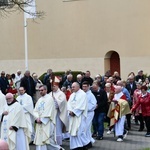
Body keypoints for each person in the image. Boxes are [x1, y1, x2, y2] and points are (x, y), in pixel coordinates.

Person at [33, 85, 62, 150]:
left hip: (47, 122)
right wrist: (37, 118)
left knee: (47, 139)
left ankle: (58, 148)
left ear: (46, 90)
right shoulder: (39, 100)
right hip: (39, 122)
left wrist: (42, 120)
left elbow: (48, 111)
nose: (40, 92)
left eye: (42, 90)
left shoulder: (49, 99)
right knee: (41, 140)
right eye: (39, 90)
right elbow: (35, 110)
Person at [67, 82, 89, 150]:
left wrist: (74, 112)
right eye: (72, 87)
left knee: (79, 132)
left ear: (78, 87)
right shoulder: (72, 95)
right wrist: (70, 111)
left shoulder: (83, 94)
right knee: (72, 131)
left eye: (74, 87)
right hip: (72, 116)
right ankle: (75, 146)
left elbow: (82, 105)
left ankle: (80, 146)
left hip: (79, 116)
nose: (72, 88)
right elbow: (69, 104)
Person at [49, 76, 69, 146]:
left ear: (57, 86)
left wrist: (55, 100)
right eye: (52, 86)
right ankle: (51, 142)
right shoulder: (49, 94)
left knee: (57, 129)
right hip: (51, 115)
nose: (52, 88)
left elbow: (62, 103)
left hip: (58, 114)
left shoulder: (61, 94)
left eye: (54, 86)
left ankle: (58, 143)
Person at [82, 81, 97, 148]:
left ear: (88, 87)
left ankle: (87, 142)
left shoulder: (91, 95)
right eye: (83, 86)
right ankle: (88, 142)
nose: (84, 88)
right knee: (85, 129)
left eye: (85, 86)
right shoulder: (81, 94)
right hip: (82, 114)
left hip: (89, 113)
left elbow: (93, 105)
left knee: (86, 128)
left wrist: (85, 108)